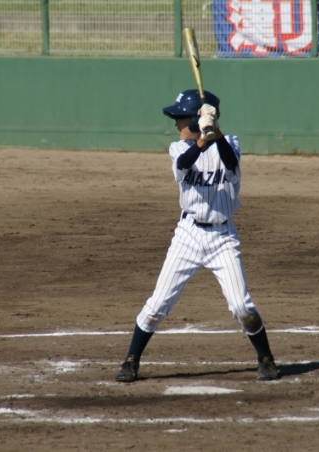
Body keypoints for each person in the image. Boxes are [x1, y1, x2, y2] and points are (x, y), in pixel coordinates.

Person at [114, 89, 278, 382]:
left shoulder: (231, 143)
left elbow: (230, 163)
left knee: (242, 307)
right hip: (187, 236)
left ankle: (265, 358)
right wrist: (202, 140)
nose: (177, 124)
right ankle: (131, 359)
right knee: (157, 304)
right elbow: (184, 164)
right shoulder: (178, 148)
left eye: (181, 118)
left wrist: (215, 133)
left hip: (222, 237)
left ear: (195, 119)